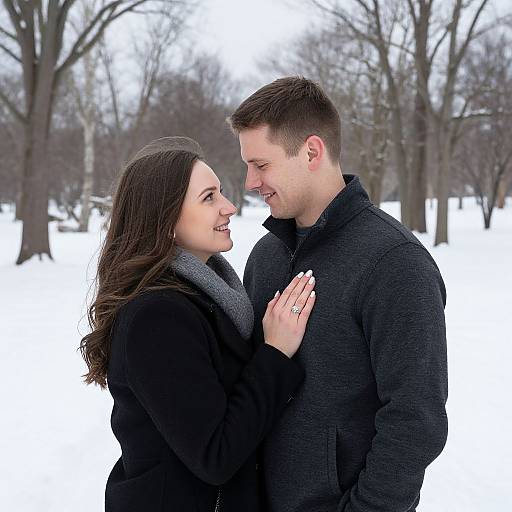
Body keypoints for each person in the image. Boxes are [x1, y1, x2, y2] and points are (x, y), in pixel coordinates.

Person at [228, 77, 448, 512]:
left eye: (261, 164)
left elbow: (414, 419)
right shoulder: (266, 256)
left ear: (312, 151)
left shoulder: (395, 262)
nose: (251, 181)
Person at [79, 136, 318, 512]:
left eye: (220, 193)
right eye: (209, 198)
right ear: (165, 219)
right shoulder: (157, 317)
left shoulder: (209, 296)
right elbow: (215, 455)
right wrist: (274, 353)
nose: (229, 207)